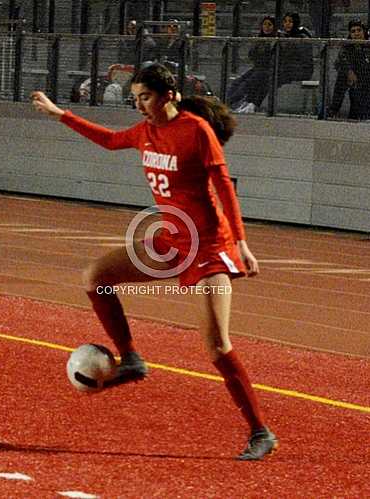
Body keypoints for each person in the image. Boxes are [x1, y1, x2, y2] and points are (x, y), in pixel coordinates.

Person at [31, 63, 278, 461]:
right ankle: (130, 357)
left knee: (217, 348)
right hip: (172, 242)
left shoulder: (196, 130)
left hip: (209, 248)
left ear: (168, 94)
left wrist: (243, 245)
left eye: (145, 97)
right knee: (96, 277)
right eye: (135, 99)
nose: (140, 106)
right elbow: (110, 140)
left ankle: (260, 431)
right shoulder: (145, 132)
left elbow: (224, 189)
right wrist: (63, 115)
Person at [228, 16, 277, 113]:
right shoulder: (259, 38)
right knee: (237, 81)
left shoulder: (275, 40)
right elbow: (251, 55)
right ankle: (228, 101)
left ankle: (228, 102)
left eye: (269, 25)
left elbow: (268, 57)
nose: (266, 27)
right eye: (264, 24)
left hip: (267, 69)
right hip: (257, 68)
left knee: (247, 83)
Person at [329, 20, 370, 120]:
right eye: (353, 31)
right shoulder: (347, 46)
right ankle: (333, 111)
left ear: (364, 31)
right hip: (355, 81)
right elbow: (340, 62)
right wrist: (349, 72)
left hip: (367, 81)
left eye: (359, 30)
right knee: (342, 78)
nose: (356, 33)